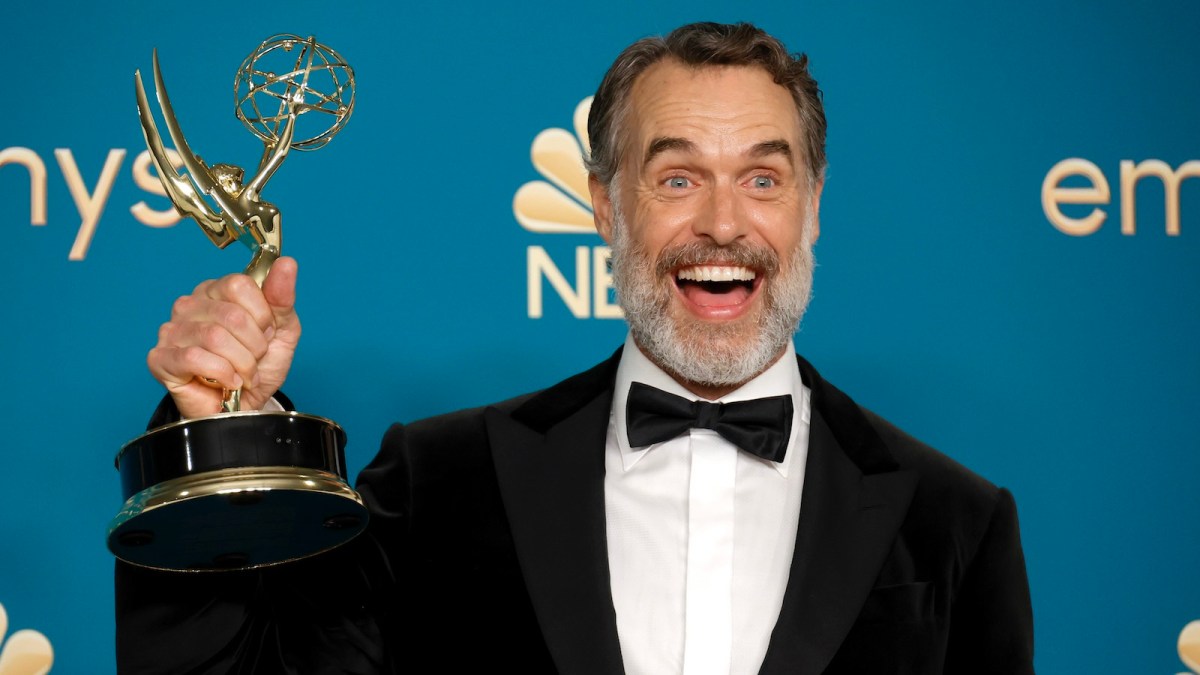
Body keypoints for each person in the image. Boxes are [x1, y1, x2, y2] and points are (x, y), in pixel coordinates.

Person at [116, 21, 1034, 675]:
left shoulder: (956, 523)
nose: (723, 222)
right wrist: (222, 428)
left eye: (762, 177)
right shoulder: (436, 481)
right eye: (676, 176)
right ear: (604, 207)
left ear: (813, 206)